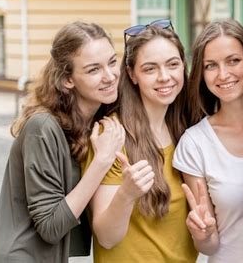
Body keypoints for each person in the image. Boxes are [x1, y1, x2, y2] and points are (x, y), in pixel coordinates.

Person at [0, 21, 126, 262]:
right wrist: (102, 160)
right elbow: (50, 227)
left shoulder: (95, 121)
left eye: (112, 62)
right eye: (93, 70)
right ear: (68, 79)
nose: (110, 76)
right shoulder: (43, 127)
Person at [81, 19, 198, 262]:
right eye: (150, 69)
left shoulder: (187, 131)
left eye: (172, 64)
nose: (164, 77)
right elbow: (106, 237)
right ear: (132, 75)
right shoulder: (113, 134)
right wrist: (126, 193)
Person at [173, 19, 243, 262]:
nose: (223, 74)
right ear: (201, 73)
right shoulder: (195, 143)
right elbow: (210, 245)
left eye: (233, 60)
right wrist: (202, 234)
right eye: (211, 65)